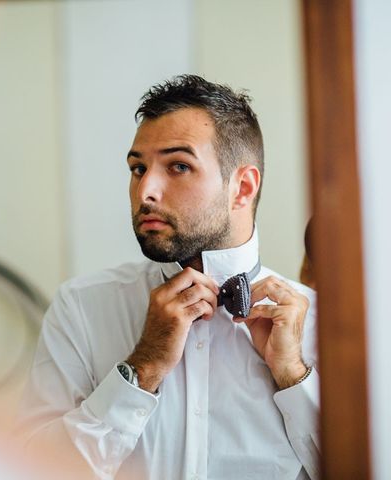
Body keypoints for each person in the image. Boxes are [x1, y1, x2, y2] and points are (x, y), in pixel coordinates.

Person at [18, 75, 319, 480]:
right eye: (138, 168)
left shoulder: (322, 324)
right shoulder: (82, 307)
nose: (146, 191)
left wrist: (294, 376)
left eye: (178, 166)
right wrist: (142, 368)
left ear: (242, 188)